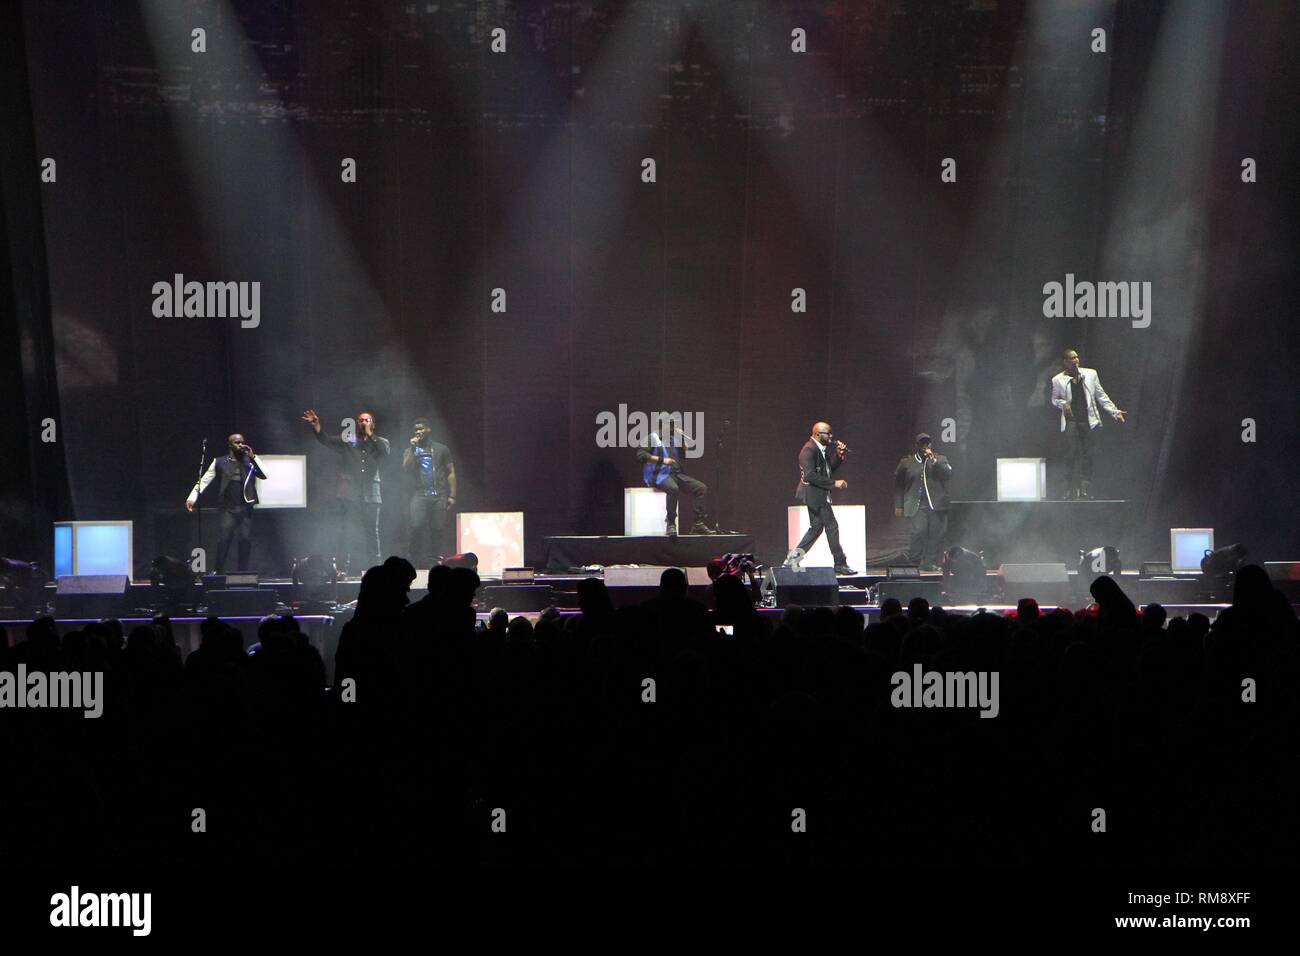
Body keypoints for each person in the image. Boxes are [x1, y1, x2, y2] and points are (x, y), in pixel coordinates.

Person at [301, 408, 391, 574]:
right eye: (361, 420)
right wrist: (316, 425)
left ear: (373, 424)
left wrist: (370, 435)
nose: (363, 422)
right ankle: (342, 569)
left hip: (372, 495)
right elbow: (326, 440)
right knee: (347, 532)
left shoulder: (381, 442)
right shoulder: (348, 442)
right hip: (351, 495)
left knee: (372, 533)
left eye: (367, 420)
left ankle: (377, 570)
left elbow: (385, 453)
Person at [1050, 349, 1126, 499]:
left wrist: (1114, 411)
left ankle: (1085, 489)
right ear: (1065, 362)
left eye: (1077, 357)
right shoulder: (1057, 379)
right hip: (1071, 421)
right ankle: (1068, 489)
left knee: (1087, 455)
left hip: (1087, 421)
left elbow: (1100, 394)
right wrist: (1063, 403)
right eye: (1072, 358)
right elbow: (1054, 399)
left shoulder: (1090, 374)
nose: (1076, 360)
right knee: (1070, 455)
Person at [186, 432, 267, 572]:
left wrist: (253, 456)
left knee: (245, 539)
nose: (241, 445)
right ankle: (218, 571)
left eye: (242, 442)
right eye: (237, 442)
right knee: (224, 539)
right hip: (228, 507)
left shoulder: (248, 461)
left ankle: (243, 572)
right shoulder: (219, 462)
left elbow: (265, 475)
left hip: (245, 507)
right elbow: (204, 480)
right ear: (230, 444)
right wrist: (192, 497)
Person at [787, 421, 855, 575]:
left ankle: (792, 560)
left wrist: (839, 455)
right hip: (814, 495)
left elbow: (828, 469)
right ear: (817, 434)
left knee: (816, 528)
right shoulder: (809, 450)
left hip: (818, 494)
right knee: (832, 526)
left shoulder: (820, 449)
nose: (831, 436)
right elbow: (810, 476)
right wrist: (834, 483)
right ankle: (840, 563)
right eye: (828, 433)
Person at [636, 422, 714, 536]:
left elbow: (683, 454)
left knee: (701, 488)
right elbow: (641, 455)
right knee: (673, 489)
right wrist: (663, 460)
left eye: (673, 426)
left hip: (676, 474)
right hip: (658, 474)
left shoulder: (673, 440)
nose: (673, 428)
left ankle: (698, 524)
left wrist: (682, 439)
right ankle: (671, 523)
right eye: (670, 425)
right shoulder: (652, 438)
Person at [894, 432, 953, 571]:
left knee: (936, 535)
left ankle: (930, 562)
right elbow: (898, 484)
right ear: (917, 445)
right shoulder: (907, 462)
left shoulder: (940, 459)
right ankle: (915, 561)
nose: (925, 446)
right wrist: (899, 505)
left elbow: (948, 474)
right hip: (917, 505)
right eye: (922, 443)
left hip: (936, 504)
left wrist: (933, 461)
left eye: (927, 443)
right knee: (918, 532)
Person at [402, 418, 456, 568]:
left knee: (437, 528)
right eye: (416, 429)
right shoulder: (411, 450)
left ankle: (434, 559)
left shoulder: (441, 449)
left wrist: (452, 495)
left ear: (428, 429)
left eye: (421, 428)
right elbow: (406, 467)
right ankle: (414, 558)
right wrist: (413, 449)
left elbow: (451, 472)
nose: (418, 432)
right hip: (420, 494)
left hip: (439, 494)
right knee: (417, 525)